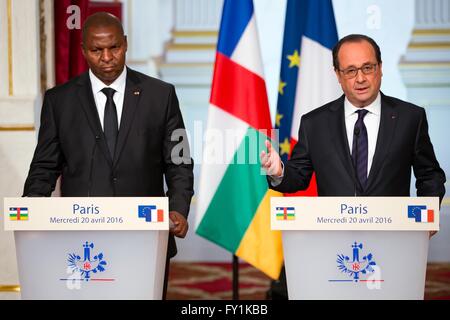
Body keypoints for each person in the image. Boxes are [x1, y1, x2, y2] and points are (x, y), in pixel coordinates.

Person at [261, 34, 446, 298]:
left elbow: (430, 174)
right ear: (337, 75)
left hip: (393, 242)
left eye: (367, 68)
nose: (360, 78)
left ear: (380, 68)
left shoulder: (410, 117)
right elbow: (298, 178)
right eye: (350, 70)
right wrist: (278, 172)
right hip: (332, 243)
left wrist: (427, 215)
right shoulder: (315, 123)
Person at [23, 12, 194, 298]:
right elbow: (44, 166)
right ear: (83, 51)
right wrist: (31, 210)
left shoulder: (160, 95)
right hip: (81, 237)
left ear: (125, 44)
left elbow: (179, 160)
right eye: (96, 50)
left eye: (114, 47)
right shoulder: (59, 101)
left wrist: (178, 207)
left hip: (146, 235)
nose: (106, 57)